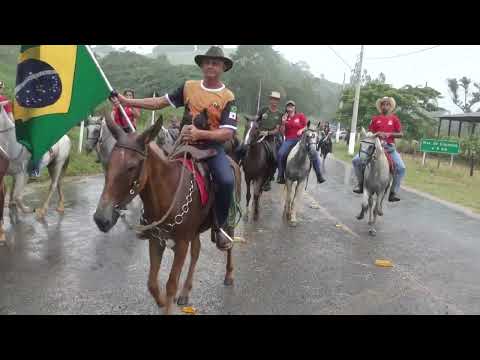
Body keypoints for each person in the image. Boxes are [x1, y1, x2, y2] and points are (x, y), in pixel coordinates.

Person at [110, 46, 237, 251]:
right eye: (207, 62)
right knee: (154, 170)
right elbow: (159, 102)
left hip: (212, 148)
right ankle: (149, 217)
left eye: (215, 63)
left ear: (223, 67)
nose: (210, 66)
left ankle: (220, 226)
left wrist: (201, 134)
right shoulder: (188, 86)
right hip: (183, 144)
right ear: (202, 65)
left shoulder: (228, 96)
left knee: (226, 179)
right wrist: (126, 101)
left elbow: (228, 132)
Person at [352, 96, 406, 202]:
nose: (385, 106)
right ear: (380, 106)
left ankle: (393, 192)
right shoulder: (375, 119)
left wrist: (389, 133)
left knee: (401, 168)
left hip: (389, 148)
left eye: (387, 104)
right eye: (383, 104)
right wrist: (376, 134)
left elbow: (401, 134)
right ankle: (360, 184)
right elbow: (369, 133)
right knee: (356, 160)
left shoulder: (394, 119)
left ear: (391, 106)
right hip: (375, 147)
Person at [276, 100, 326, 185]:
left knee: (314, 153)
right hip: (289, 140)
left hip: (301, 139)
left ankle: (319, 175)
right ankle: (280, 175)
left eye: (292, 105)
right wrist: (283, 123)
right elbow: (282, 131)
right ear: (286, 108)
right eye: (288, 106)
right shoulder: (285, 117)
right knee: (280, 154)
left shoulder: (300, 116)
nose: (290, 107)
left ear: (295, 107)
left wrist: (301, 130)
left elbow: (307, 126)